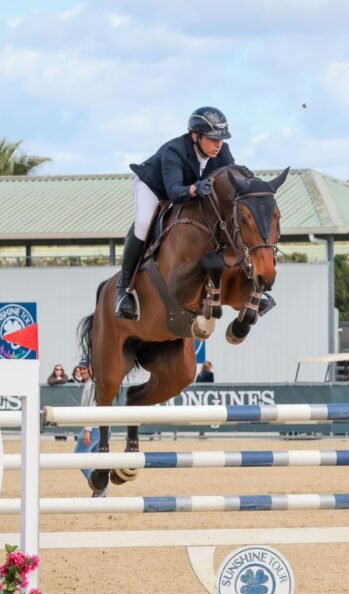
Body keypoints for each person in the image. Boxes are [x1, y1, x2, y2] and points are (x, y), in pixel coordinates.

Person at [117, 106, 236, 320]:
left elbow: (231, 180)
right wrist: (194, 189)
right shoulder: (175, 151)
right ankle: (123, 288)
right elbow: (174, 192)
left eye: (221, 139)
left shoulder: (223, 152)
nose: (218, 145)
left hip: (191, 189)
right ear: (195, 136)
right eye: (212, 139)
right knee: (144, 224)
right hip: (155, 188)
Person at [71, 366, 107, 497]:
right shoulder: (92, 384)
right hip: (99, 428)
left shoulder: (92, 385)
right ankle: (100, 488)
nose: (82, 371)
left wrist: (87, 429)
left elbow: (92, 407)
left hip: (93, 429)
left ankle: (99, 487)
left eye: (85, 368)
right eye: (81, 369)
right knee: (95, 463)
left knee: (79, 457)